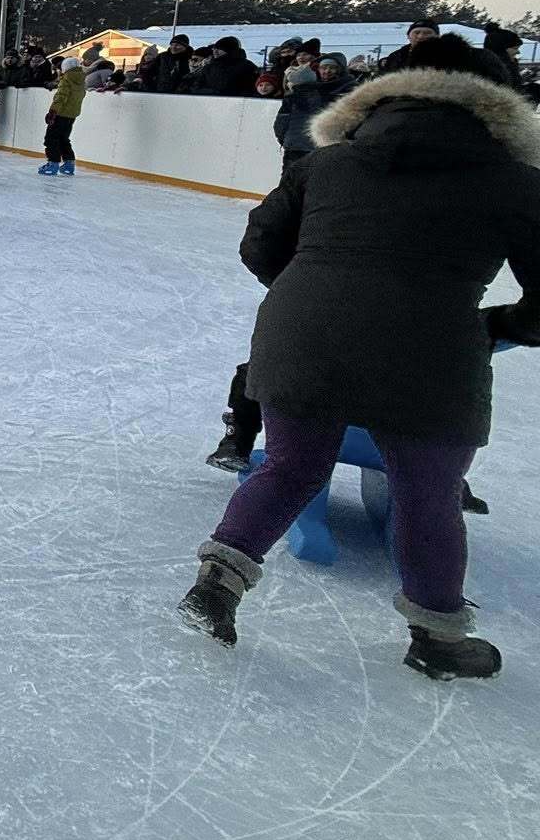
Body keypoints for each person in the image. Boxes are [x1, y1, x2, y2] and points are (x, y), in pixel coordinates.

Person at [177, 37, 540, 680]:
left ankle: (218, 582)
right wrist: (493, 326)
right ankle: (437, 634)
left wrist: (316, 294)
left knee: (290, 467)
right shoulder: (517, 180)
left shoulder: (328, 163)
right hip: (433, 350)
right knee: (428, 494)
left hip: (304, 331)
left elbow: (261, 244)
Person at [273, 53, 353, 173]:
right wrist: (286, 140)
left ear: (340, 70)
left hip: (326, 149)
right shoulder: (300, 91)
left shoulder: (348, 91)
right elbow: (282, 120)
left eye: (332, 68)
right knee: (291, 185)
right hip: (297, 147)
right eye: (324, 67)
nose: (327, 71)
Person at [39, 56, 86, 175]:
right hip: (72, 115)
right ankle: (69, 163)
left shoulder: (66, 79)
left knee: (51, 139)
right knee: (64, 139)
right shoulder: (81, 80)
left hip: (60, 114)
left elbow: (60, 97)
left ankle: (53, 163)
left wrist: (52, 112)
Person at [376, 19, 441, 77]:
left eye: (427, 33)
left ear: (437, 36)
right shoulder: (396, 56)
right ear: (408, 36)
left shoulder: (447, 56)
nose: (421, 36)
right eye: (416, 32)